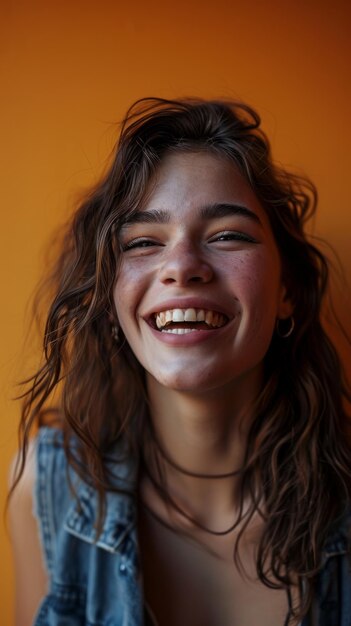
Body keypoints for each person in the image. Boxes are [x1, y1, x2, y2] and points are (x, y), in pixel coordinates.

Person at [9, 97, 351, 626]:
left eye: (228, 235)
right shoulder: (46, 487)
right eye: (143, 242)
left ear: (287, 289)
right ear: (107, 293)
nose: (183, 267)